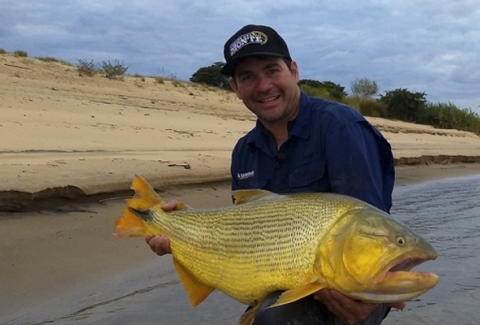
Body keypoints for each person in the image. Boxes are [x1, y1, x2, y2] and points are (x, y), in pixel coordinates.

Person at [146, 24, 402, 325]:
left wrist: (372, 297)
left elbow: (371, 232)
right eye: (247, 77)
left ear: (293, 70)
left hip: (352, 286)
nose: (263, 85)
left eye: (272, 70)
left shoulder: (340, 129)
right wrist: (182, 226)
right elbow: (243, 231)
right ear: (235, 87)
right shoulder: (245, 150)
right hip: (280, 288)